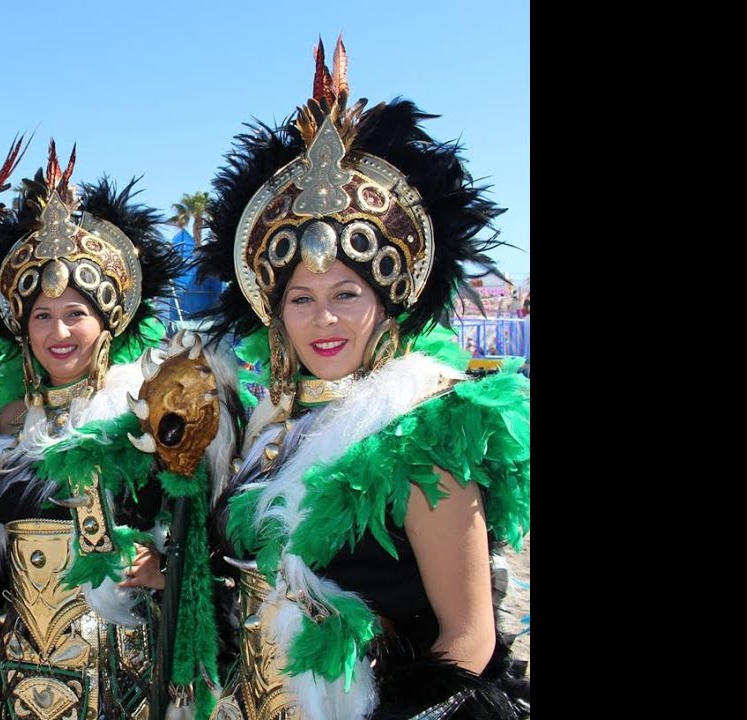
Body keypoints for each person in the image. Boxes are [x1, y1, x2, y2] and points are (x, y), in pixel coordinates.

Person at [197, 36, 530, 720]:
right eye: (300, 297)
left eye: (347, 293)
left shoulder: (427, 431)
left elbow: (467, 637)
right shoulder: (273, 427)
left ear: (387, 301)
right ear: (275, 311)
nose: (323, 318)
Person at [0, 142, 237, 719]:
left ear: (107, 324)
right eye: (43, 316)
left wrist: (163, 564)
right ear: (23, 330)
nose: (60, 331)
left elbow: (206, 535)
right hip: (23, 669)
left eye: (77, 313)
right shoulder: (6, 429)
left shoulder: (147, 412)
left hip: (120, 675)